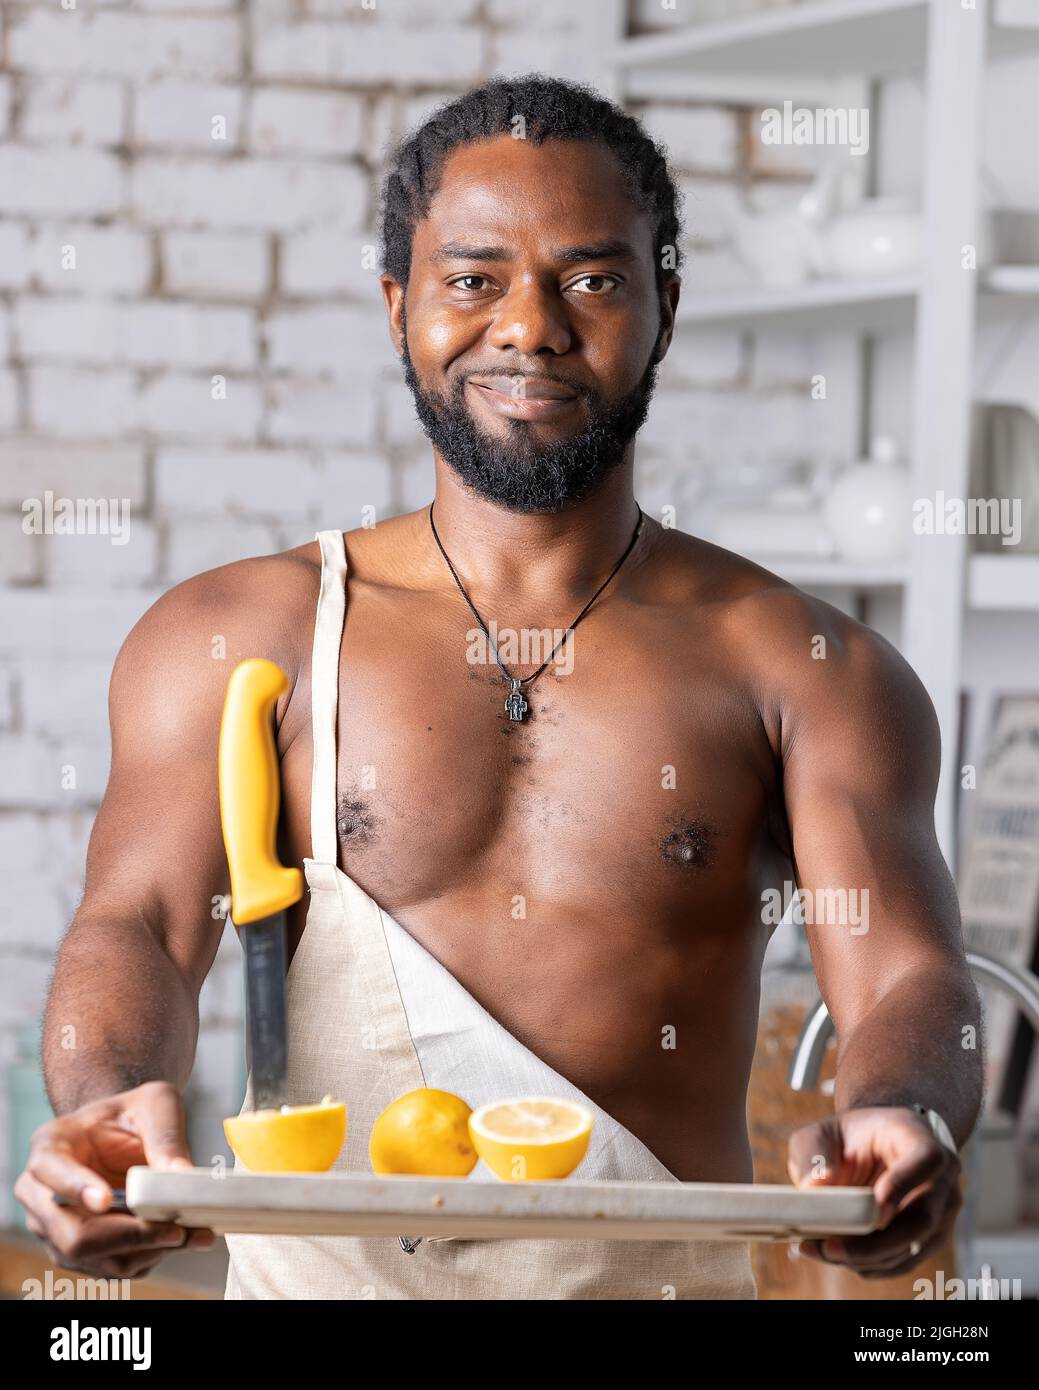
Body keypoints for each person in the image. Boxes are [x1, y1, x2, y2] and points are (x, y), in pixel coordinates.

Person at [16, 75, 979, 1300]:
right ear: (396, 307)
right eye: (472, 278)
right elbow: (139, 926)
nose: (528, 325)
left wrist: (903, 1113)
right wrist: (104, 1110)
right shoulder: (233, 634)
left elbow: (906, 974)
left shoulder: (803, 666)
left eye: (590, 278)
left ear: (663, 307)